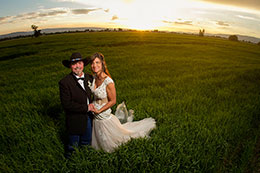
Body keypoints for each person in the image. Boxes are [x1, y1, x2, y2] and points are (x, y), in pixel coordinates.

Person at [88, 52, 156, 153]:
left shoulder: (108, 81)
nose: (95, 65)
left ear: (102, 64)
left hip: (103, 113)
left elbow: (113, 101)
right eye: (93, 63)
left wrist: (99, 110)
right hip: (94, 114)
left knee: (113, 142)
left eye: (97, 62)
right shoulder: (93, 78)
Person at [59, 52, 95, 158]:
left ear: (83, 64)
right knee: (72, 147)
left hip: (89, 117)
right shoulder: (64, 82)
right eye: (74, 64)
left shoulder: (90, 78)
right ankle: (71, 164)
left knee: (87, 143)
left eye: (79, 63)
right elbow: (66, 104)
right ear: (70, 66)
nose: (77, 66)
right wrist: (86, 108)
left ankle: (85, 162)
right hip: (74, 119)